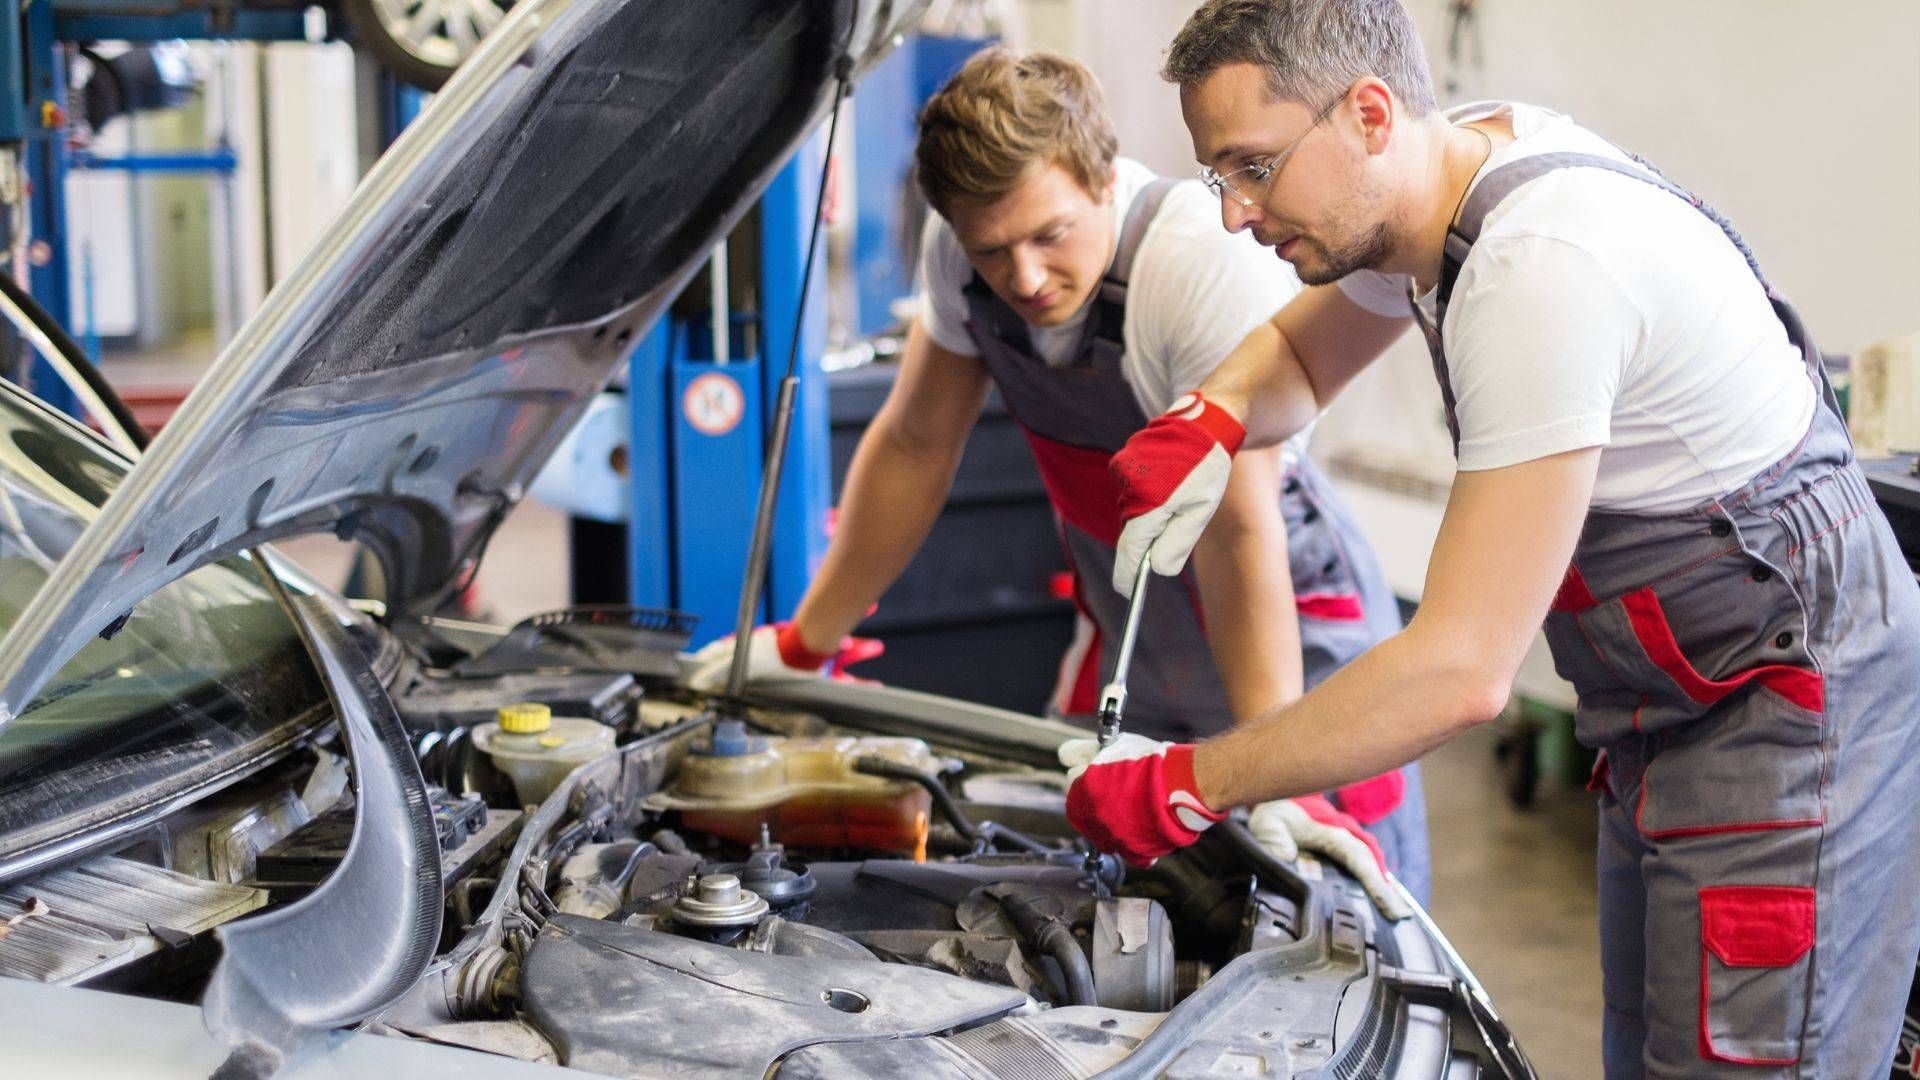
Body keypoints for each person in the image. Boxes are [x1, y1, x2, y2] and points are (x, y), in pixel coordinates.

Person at [1058, 1, 1920, 1076]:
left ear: (1369, 113)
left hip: (1787, 715)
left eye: (1254, 168)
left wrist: (1194, 779)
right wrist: (1217, 413)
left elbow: (1459, 672)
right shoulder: (1439, 176)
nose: (1235, 214)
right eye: (1216, 178)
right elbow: (1303, 356)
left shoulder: (1536, 270)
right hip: (1671, 709)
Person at [689, 45, 1429, 903]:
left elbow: (1237, 528)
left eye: (1051, 235)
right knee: (1074, 877)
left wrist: (1275, 763)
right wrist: (807, 642)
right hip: (1129, 620)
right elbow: (916, 445)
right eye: (995, 250)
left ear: (1104, 178)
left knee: (1332, 906)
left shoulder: (1191, 267)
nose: (1025, 278)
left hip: (1287, 622)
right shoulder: (964, 254)